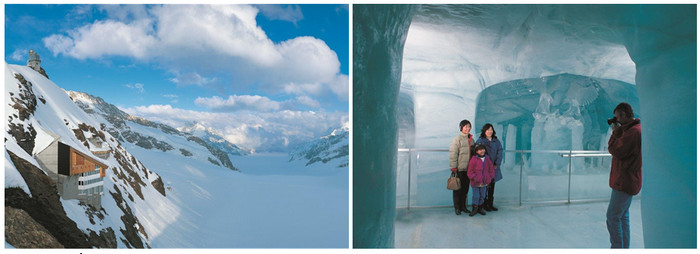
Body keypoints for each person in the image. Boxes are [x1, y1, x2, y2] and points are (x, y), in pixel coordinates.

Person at [606, 102, 642, 248]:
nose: (616, 120)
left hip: (624, 180)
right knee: (622, 217)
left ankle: (617, 248)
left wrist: (615, 133)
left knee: (613, 217)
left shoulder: (633, 132)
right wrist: (620, 131)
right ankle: (624, 248)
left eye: (617, 117)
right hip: (627, 179)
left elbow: (616, 150)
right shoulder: (632, 130)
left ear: (623, 114)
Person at [476, 123, 504, 212]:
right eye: (488, 130)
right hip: (485, 168)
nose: (490, 131)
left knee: (492, 186)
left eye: (491, 129)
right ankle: (484, 204)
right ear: (484, 131)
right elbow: (478, 153)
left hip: (494, 168)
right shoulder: (480, 141)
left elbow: (500, 151)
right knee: (485, 186)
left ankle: (490, 204)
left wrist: (497, 163)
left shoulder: (496, 141)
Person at [449, 119, 474, 215]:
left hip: (468, 169)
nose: (468, 128)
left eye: (469, 126)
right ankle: (457, 208)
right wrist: (453, 167)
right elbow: (453, 154)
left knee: (465, 189)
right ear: (461, 128)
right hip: (459, 169)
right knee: (457, 189)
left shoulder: (471, 140)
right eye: (465, 126)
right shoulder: (457, 139)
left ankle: (463, 207)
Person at [466, 144, 494, 216]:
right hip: (475, 183)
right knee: (476, 196)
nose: (482, 151)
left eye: (483, 149)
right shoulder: (473, 159)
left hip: (484, 182)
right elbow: (470, 171)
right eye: (480, 150)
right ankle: (475, 208)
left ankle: (480, 208)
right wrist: (475, 178)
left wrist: (490, 177)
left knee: (483, 195)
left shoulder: (487, 159)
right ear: (476, 151)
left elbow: (491, 169)